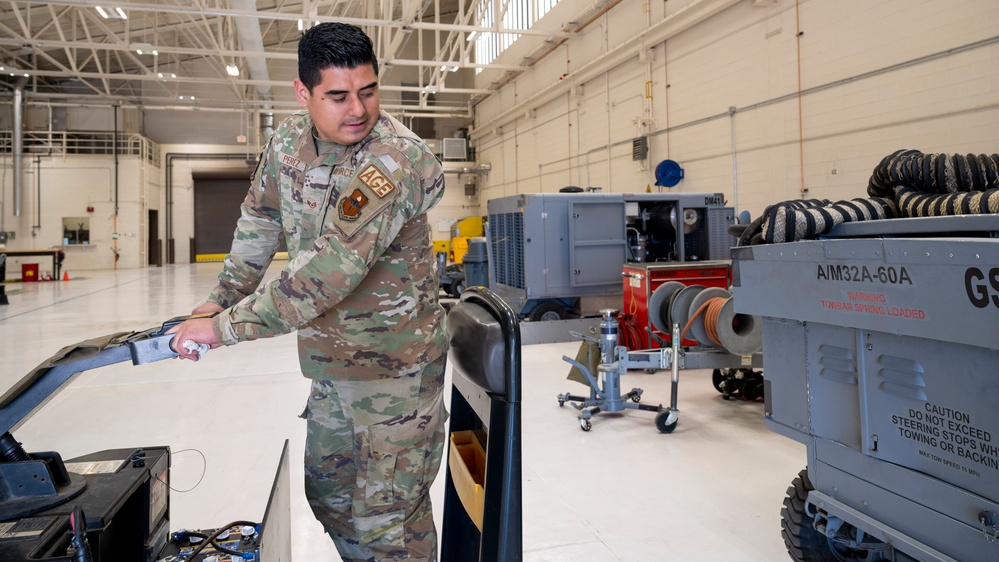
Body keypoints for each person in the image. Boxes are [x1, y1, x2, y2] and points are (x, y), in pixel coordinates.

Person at [168, 22, 449, 561]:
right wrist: (222, 296)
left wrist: (224, 329)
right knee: (331, 500)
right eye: (338, 96)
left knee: (386, 522)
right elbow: (261, 216)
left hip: (395, 375)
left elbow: (331, 270)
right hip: (329, 367)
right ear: (304, 93)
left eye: (368, 91)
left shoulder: (392, 160)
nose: (358, 110)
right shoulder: (288, 143)